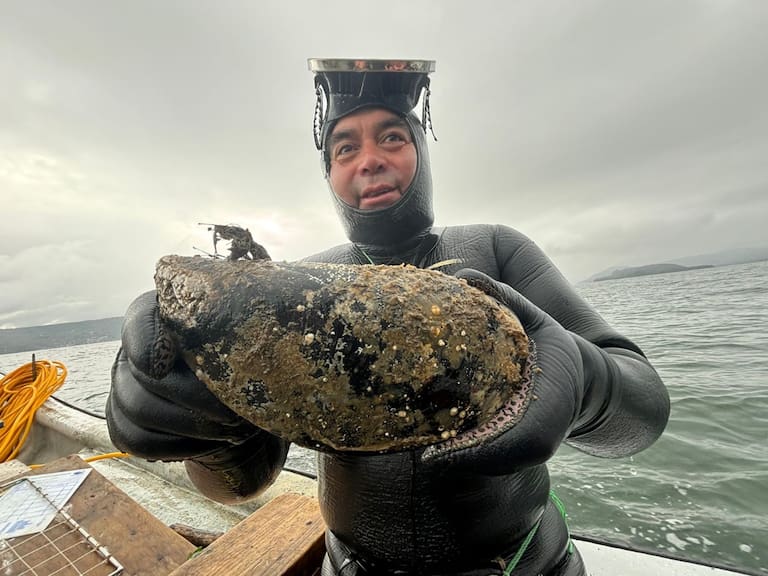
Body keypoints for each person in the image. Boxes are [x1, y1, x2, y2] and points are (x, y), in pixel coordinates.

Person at [106, 59, 670, 575]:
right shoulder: (293, 294)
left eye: (392, 136)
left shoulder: (494, 250)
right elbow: (242, 482)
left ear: (421, 151)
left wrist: (588, 384)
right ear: (329, 175)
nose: (369, 159)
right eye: (344, 148)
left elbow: (641, 415)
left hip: (526, 565)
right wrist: (202, 434)